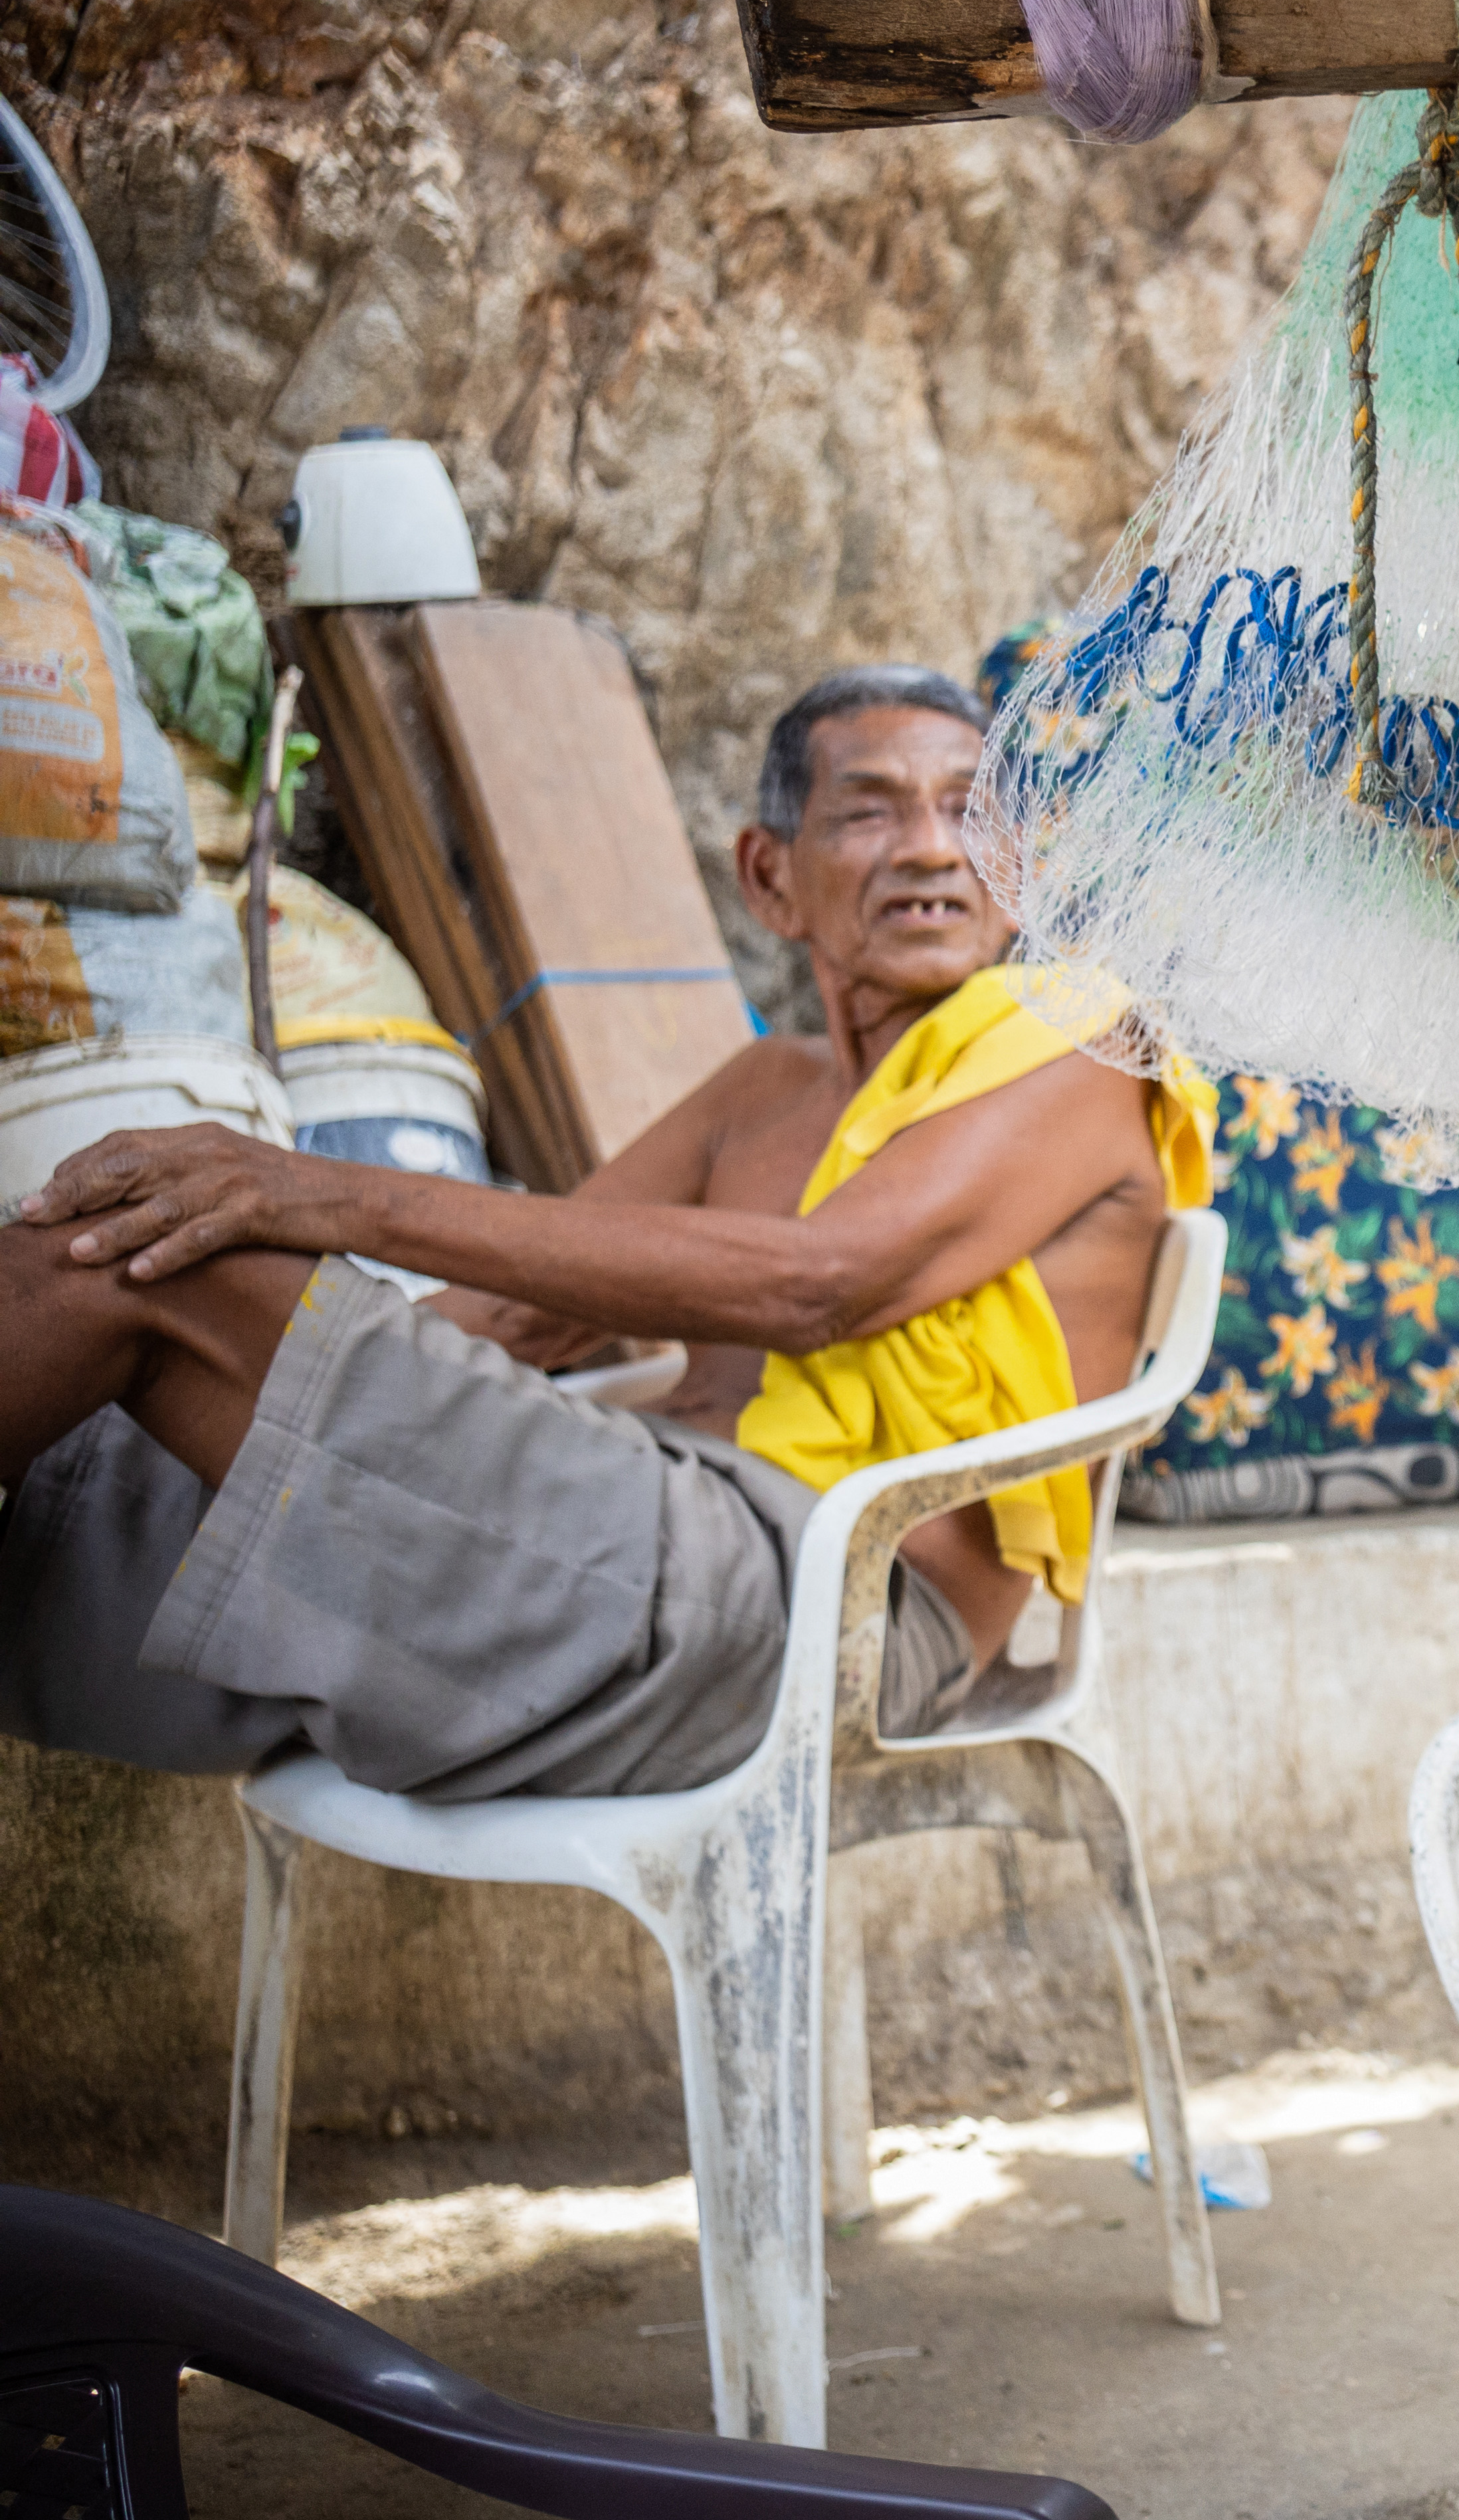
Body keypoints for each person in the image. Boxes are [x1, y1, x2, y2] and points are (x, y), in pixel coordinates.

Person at [0, 665, 1211, 1801]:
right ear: (769, 877)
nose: (934, 850)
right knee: (125, 1309)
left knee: (156, 1283)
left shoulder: (1084, 1049)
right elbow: (517, 1318)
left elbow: (822, 1285)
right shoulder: (759, 1093)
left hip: (837, 1613)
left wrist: (310, 1195)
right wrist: (258, 1339)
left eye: (970, 812)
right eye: (869, 813)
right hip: (624, 1549)